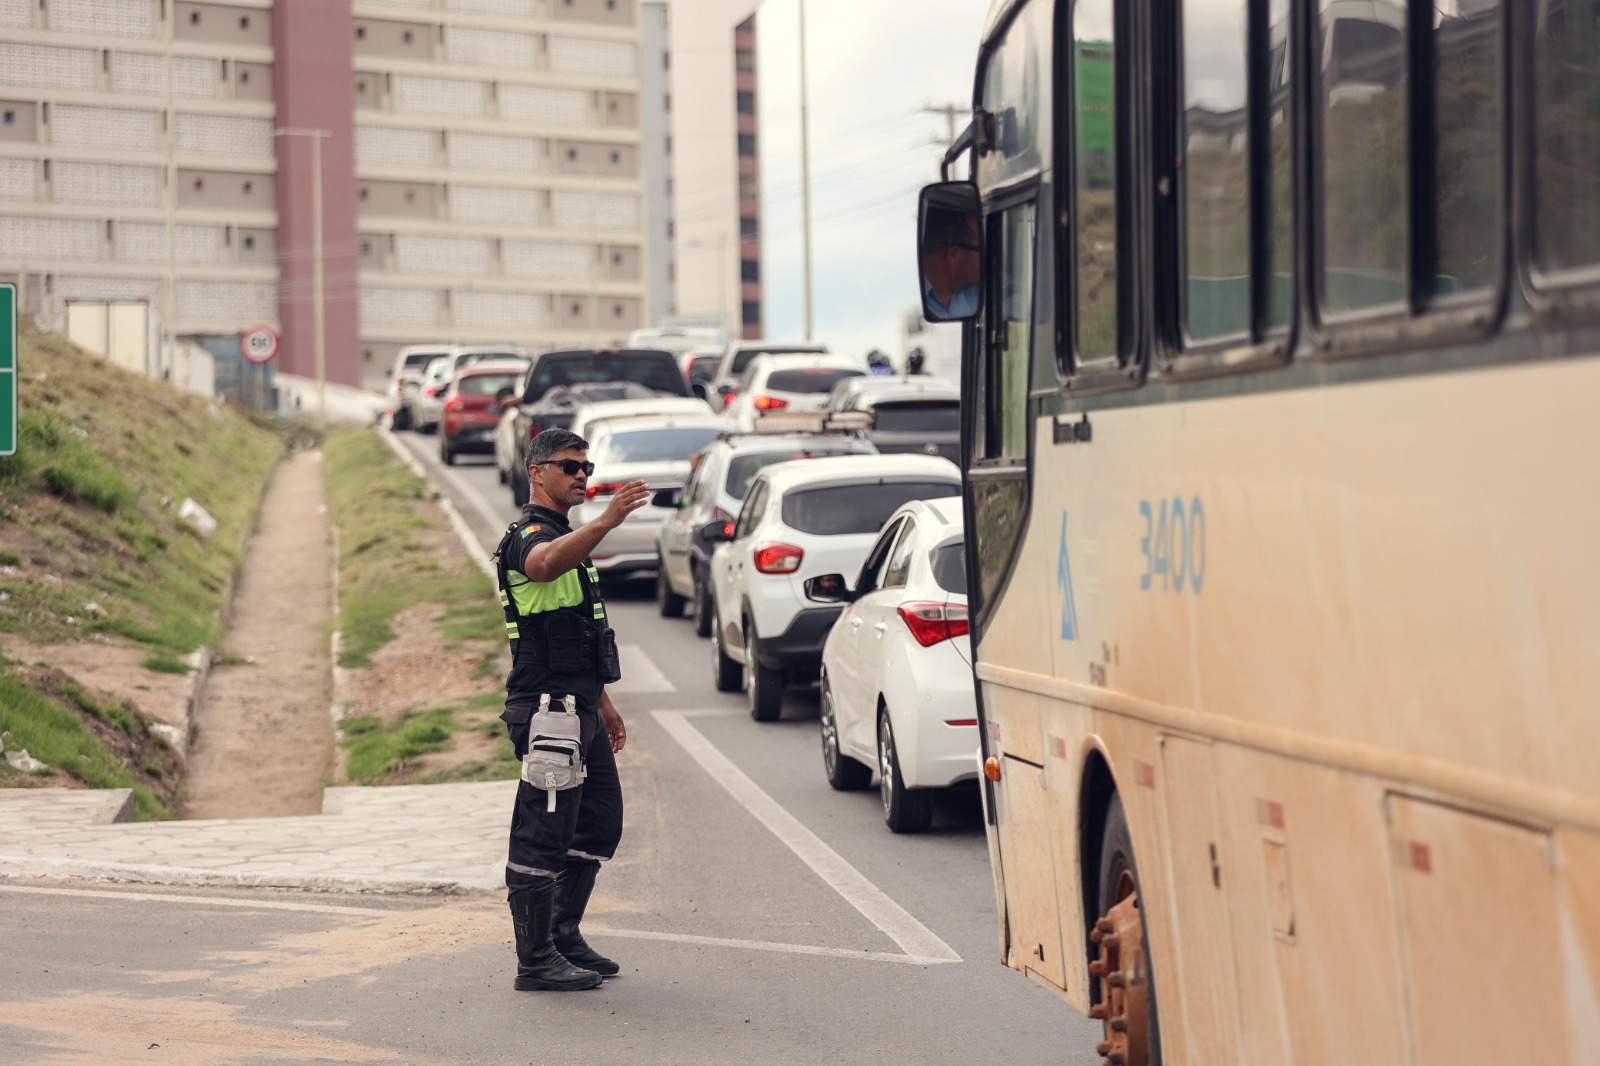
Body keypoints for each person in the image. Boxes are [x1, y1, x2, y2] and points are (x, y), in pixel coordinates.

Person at [493, 428, 650, 992]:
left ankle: (562, 934)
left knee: (598, 822)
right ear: (538, 472)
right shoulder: (530, 534)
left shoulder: (566, 533)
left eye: (587, 467)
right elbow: (540, 568)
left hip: (579, 704)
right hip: (546, 709)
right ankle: (534, 960)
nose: (582, 475)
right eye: (569, 466)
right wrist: (606, 521)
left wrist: (603, 702)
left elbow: (576, 630)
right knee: (543, 835)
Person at [919, 208, 982, 320]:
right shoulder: (914, 300)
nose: (988, 255)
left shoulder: (984, 290)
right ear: (954, 253)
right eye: (980, 249)